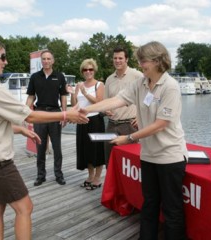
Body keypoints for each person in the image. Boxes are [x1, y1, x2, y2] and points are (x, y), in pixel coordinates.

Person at [0, 37, 88, 240]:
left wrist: (20, 130)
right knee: (25, 208)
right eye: (2, 57)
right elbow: (29, 114)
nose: (5, 62)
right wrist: (66, 115)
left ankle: (57, 174)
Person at [81, 41, 189, 239]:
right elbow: (117, 100)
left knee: (172, 209)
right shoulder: (141, 83)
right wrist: (86, 109)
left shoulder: (170, 87)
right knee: (149, 204)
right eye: (139, 61)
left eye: (143, 60)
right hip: (148, 155)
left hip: (169, 157)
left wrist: (129, 138)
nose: (140, 65)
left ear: (157, 61)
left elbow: (161, 124)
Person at [26, 50, 68, 186]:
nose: (46, 61)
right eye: (43, 59)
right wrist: (25, 113)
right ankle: (40, 175)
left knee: (57, 147)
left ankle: (58, 175)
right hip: (39, 113)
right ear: (41, 61)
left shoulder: (60, 76)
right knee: (40, 146)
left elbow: (63, 96)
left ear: (53, 61)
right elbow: (31, 97)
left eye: (49, 59)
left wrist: (64, 114)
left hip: (55, 113)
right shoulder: (35, 77)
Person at [103, 46, 143, 167]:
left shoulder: (137, 76)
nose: (117, 61)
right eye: (115, 58)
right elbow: (106, 102)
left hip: (130, 126)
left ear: (127, 59)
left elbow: (149, 98)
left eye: (120, 58)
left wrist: (141, 117)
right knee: (109, 160)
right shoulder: (109, 79)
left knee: (130, 163)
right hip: (111, 125)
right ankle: (112, 185)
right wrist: (106, 110)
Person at [70, 58, 105, 190]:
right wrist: (74, 93)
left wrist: (85, 93)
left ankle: (97, 178)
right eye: (85, 69)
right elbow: (75, 105)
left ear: (94, 70)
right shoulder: (79, 85)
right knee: (85, 150)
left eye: (90, 69)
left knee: (97, 149)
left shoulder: (99, 85)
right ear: (82, 71)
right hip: (82, 120)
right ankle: (90, 176)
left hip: (95, 120)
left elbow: (99, 102)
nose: (88, 72)